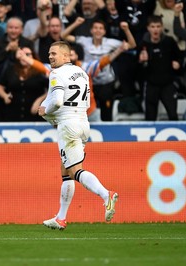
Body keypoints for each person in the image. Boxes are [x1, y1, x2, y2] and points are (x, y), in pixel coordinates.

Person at [38, 41, 118, 230]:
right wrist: (48, 108)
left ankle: (107, 194)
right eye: (49, 54)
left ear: (67, 56)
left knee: (75, 171)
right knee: (66, 172)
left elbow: (56, 102)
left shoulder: (56, 73)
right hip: (83, 122)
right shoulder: (82, 73)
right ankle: (61, 218)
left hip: (68, 125)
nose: (50, 57)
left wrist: (45, 111)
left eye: (55, 54)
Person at [61, 17, 136, 121]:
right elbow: (63, 36)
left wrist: (126, 29)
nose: (98, 30)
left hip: (105, 82)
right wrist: (76, 23)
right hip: (89, 83)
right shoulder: (84, 40)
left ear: (104, 31)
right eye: (95, 28)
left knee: (106, 113)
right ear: (91, 30)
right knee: (88, 111)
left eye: (101, 28)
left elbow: (132, 45)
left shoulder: (110, 42)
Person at [138, 15, 183, 121]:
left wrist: (178, 63)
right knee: (150, 117)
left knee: (173, 115)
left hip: (168, 84)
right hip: (151, 84)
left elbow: (180, 56)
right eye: (153, 27)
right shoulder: (143, 44)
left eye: (158, 26)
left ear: (162, 27)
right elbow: (136, 68)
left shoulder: (169, 41)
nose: (156, 29)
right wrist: (141, 61)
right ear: (148, 28)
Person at [0, 46, 48, 121]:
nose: (24, 57)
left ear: (33, 56)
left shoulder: (40, 71)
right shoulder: (11, 70)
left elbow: (52, 89)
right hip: (13, 112)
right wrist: (5, 96)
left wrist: (40, 101)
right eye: (21, 54)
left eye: (27, 54)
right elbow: (0, 87)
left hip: (34, 112)